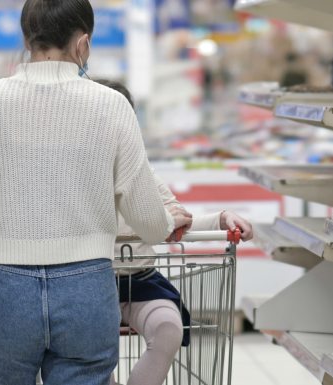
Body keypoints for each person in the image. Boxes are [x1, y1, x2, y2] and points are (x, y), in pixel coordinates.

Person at [0, 1, 192, 384]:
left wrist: (4, 240)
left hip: (3, 287)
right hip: (87, 286)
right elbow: (146, 219)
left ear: (28, 39)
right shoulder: (112, 105)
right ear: (83, 44)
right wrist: (166, 222)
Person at [101, 80, 253, 385]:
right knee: (86, 348)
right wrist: (154, 223)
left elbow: (176, 216)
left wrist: (220, 219)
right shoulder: (72, 172)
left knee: (169, 327)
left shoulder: (139, 167)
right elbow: (161, 221)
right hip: (87, 283)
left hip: (139, 279)